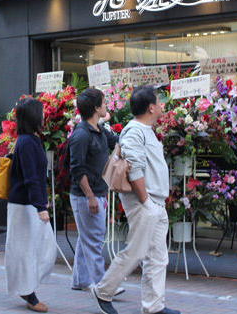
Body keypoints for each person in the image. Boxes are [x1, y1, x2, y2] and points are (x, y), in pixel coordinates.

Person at [92, 86, 181, 314]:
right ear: (151, 107)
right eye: (159, 101)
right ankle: (103, 291)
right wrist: (146, 201)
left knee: (157, 257)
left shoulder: (145, 129)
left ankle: (154, 306)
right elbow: (135, 168)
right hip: (145, 202)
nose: (162, 105)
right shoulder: (134, 131)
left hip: (153, 202)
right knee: (137, 252)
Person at [69, 88, 124, 294]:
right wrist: (91, 196)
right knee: (94, 240)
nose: (106, 105)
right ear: (95, 108)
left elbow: (117, 141)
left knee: (87, 238)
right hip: (85, 196)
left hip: (97, 193)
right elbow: (77, 168)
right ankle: (103, 286)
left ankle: (80, 280)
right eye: (103, 102)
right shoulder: (82, 135)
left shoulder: (99, 130)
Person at [5, 98, 56, 313]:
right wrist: (41, 206)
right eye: (41, 112)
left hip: (28, 205)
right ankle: (29, 294)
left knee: (42, 249)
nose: (44, 115)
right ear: (34, 117)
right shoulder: (26, 142)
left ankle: (27, 288)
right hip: (23, 206)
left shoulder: (29, 140)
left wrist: (40, 203)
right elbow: (31, 177)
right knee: (26, 251)